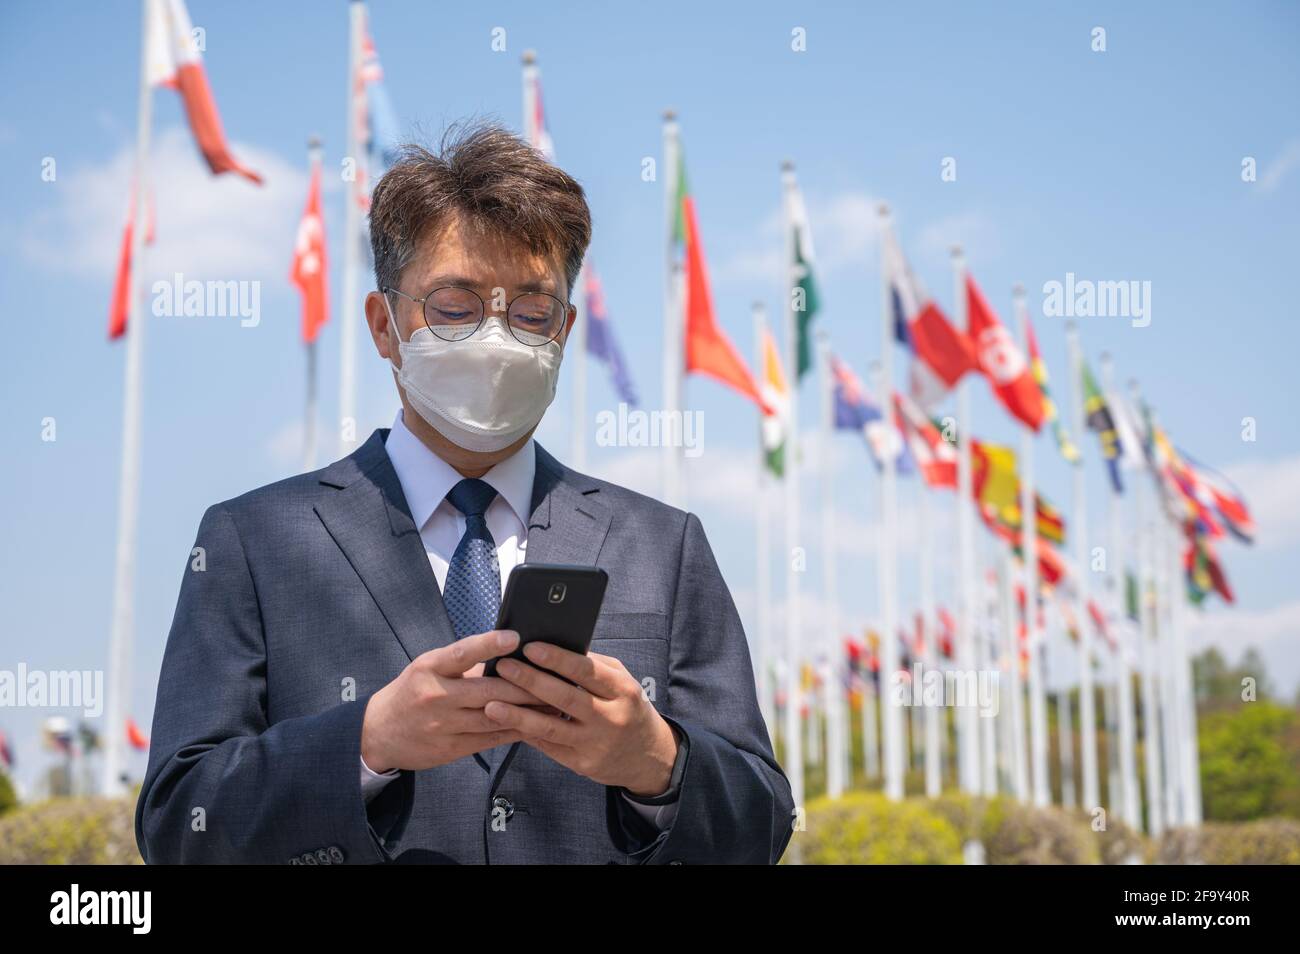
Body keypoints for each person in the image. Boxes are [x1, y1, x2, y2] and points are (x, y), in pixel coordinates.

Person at [134, 121, 794, 864]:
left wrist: (657, 764)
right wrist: (369, 742)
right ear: (385, 325)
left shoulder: (662, 546)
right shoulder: (253, 541)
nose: (497, 337)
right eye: (456, 305)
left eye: (531, 311)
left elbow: (762, 825)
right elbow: (177, 824)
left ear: (565, 331)